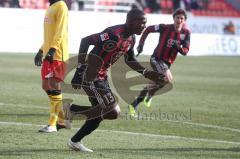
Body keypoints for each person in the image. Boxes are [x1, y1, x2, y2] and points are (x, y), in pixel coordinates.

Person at [63, 8, 164, 152]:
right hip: (90, 75)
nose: (144, 26)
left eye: (145, 23)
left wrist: (147, 73)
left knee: (105, 113)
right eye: (141, 23)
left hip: (102, 77)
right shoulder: (112, 33)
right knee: (111, 109)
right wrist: (79, 70)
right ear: (130, 21)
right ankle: (71, 111)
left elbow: (130, 60)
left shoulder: (131, 38)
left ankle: (74, 137)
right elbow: (85, 41)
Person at [128, 8, 191, 117]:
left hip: (167, 63)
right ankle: (146, 98)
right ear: (174, 18)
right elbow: (147, 30)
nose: (179, 20)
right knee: (167, 79)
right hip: (156, 59)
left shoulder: (186, 33)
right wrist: (141, 44)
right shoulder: (165, 27)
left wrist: (179, 49)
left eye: (182, 18)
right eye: (177, 17)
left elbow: (185, 51)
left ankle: (136, 103)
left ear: (184, 20)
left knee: (156, 83)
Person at [34, 0, 69, 133]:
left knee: (54, 85)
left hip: (57, 54)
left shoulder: (61, 6)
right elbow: (50, 34)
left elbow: (60, 31)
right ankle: (62, 120)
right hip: (49, 53)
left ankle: (52, 124)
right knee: (46, 85)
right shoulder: (51, 7)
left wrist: (53, 49)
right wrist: (41, 50)